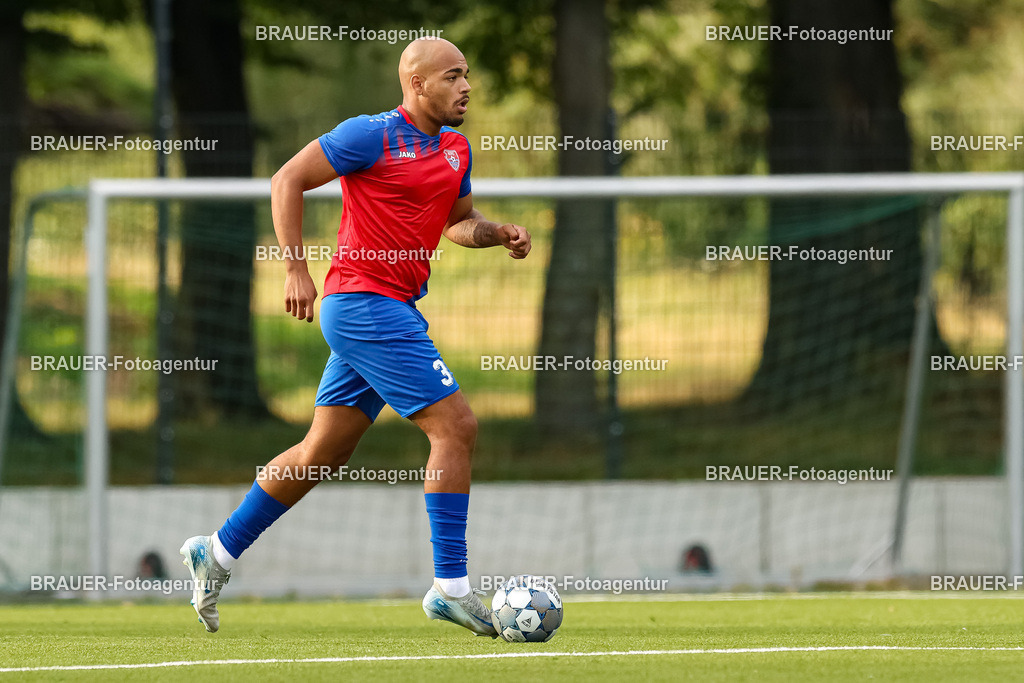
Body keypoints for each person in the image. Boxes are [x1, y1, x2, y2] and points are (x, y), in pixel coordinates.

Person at [179, 37, 531, 637]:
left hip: (392, 307)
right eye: (452, 76)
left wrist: (497, 232)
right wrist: (295, 267)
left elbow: (457, 224)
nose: (466, 86)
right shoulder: (369, 134)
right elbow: (286, 179)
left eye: (467, 74)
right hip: (363, 305)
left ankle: (216, 553)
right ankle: (451, 588)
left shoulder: (455, 149)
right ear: (416, 84)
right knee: (457, 427)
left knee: (323, 452)